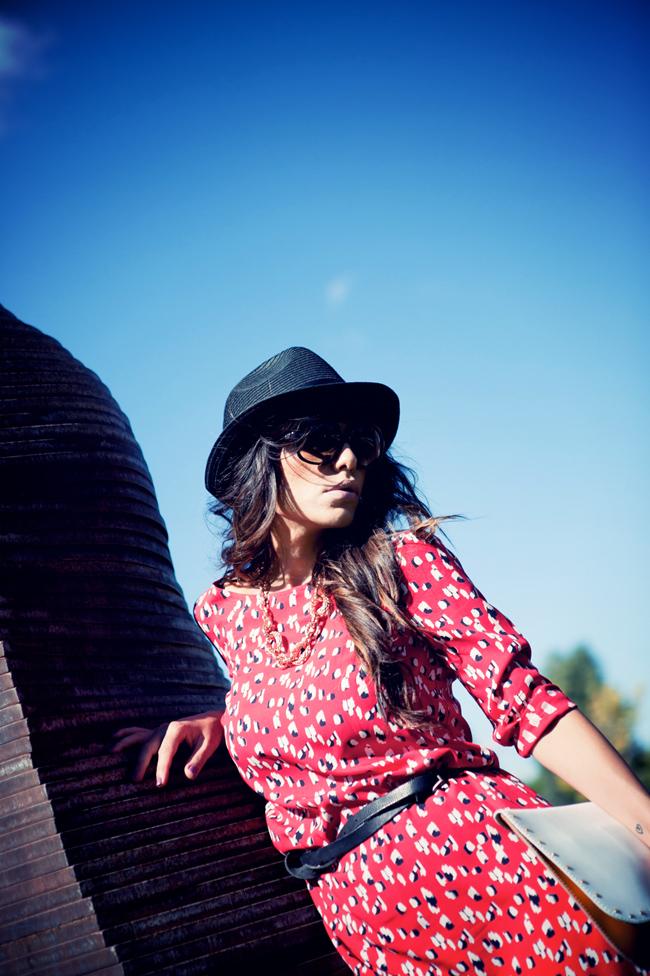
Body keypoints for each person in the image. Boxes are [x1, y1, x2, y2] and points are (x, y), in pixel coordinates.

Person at [113, 346, 650, 976]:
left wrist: (643, 824)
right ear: (260, 462)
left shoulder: (403, 562)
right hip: (362, 918)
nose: (347, 462)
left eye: (361, 444)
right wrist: (227, 726)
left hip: (480, 865)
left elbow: (521, 697)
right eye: (320, 442)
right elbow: (304, 718)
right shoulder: (222, 613)